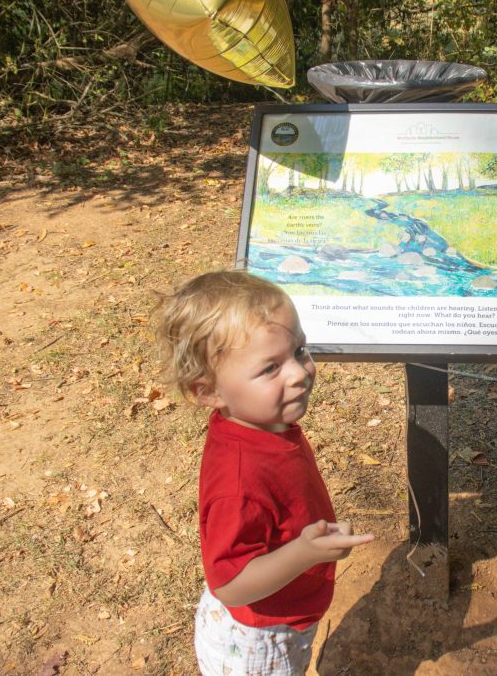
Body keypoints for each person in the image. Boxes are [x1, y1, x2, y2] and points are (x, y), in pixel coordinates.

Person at [154, 271, 375, 676]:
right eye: (270, 368)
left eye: (299, 350)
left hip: (276, 615)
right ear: (208, 392)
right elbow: (230, 584)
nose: (299, 373)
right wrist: (305, 552)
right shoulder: (239, 483)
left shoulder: (257, 422)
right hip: (260, 640)